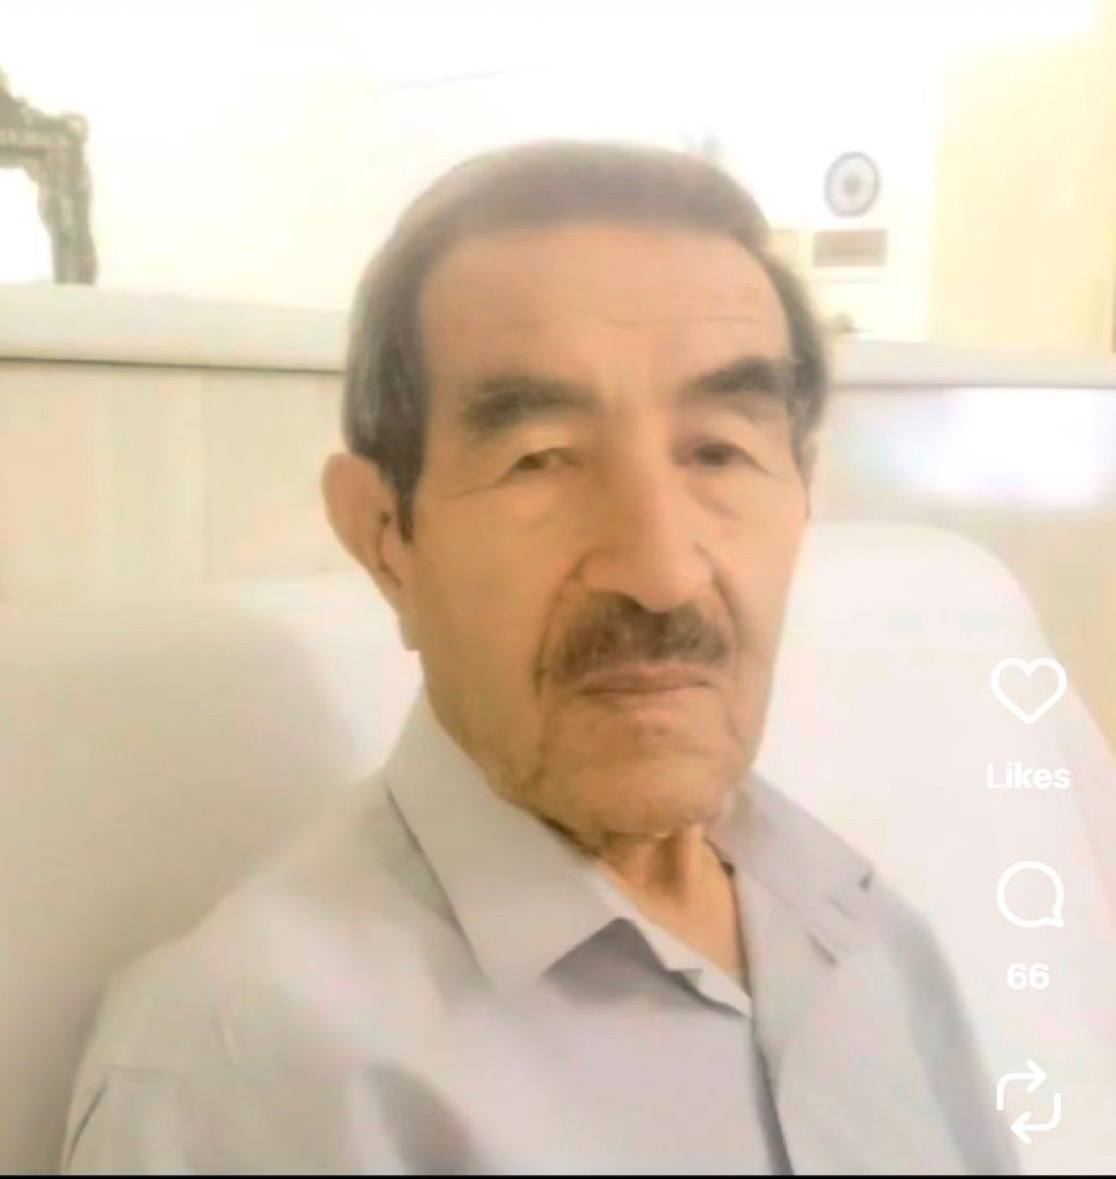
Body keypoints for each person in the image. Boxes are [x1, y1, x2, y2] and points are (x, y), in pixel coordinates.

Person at [61, 139, 1018, 1174]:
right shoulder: (252, 1075)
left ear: (803, 496)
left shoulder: (860, 928)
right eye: (540, 460)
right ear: (385, 536)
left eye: (720, 451)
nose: (661, 572)